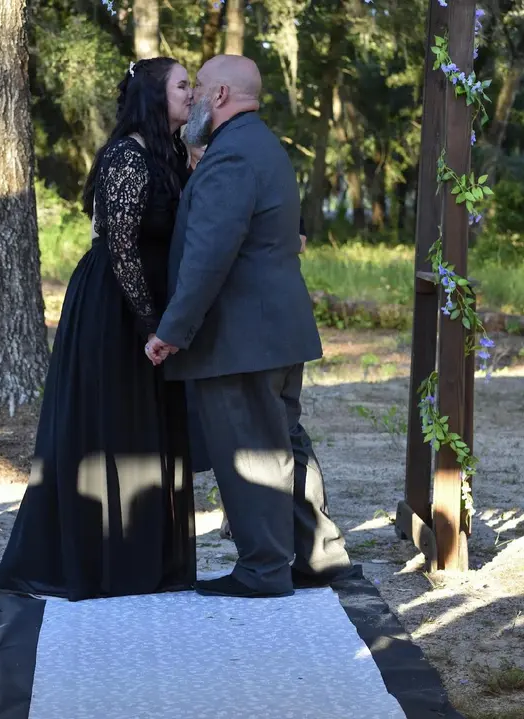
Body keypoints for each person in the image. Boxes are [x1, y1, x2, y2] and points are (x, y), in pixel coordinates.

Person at [146, 55, 353, 599]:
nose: (192, 97)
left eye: (199, 88)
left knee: (252, 448)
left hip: (240, 338)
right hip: (275, 331)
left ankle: (264, 569)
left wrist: (172, 329)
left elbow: (208, 256)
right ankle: (319, 555)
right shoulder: (262, 144)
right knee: (285, 440)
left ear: (219, 96)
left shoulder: (231, 156)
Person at [0, 58, 196, 602]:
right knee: (116, 424)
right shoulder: (126, 155)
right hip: (117, 305)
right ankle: (106, 561)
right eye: (183, 85)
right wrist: (150, 324)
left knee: (150, 427)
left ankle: (146, 556)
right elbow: (122, 246)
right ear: (155, 96)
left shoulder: (172, 152)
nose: (192, 94)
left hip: (151, 303)